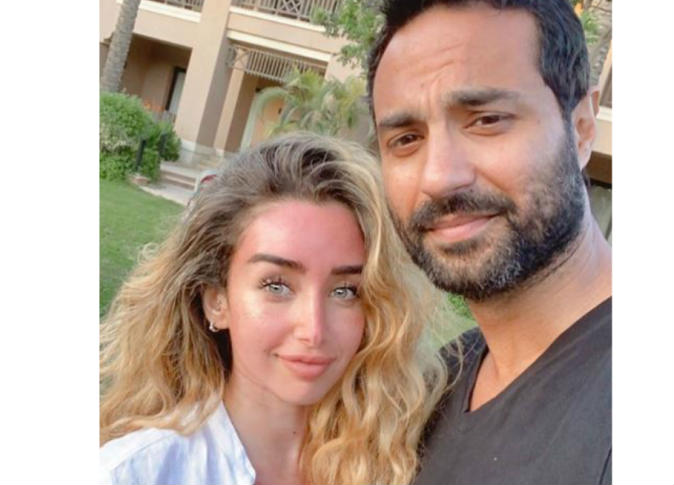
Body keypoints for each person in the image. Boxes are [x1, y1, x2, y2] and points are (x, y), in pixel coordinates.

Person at [99, 132, 450, 484]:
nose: (314, 330)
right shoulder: (134, 473)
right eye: (277, 286)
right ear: (216, 301)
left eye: (344, 291)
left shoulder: (404, 463)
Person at [367, 1, 612, 484]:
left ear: (582, 127)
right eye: (406, 139)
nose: (439, 178)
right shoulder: (440, 384)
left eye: (486, 120)